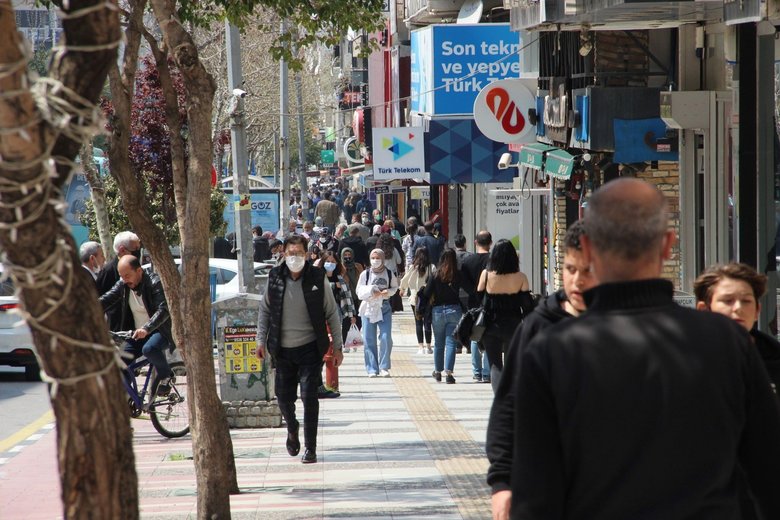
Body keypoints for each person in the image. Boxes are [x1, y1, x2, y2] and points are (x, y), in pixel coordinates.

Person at [509, 178, 780, 520]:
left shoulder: (552, 352)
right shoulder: (728, 342)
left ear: (589, 249)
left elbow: (535, 494)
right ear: (668, 244)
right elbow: (768, 472)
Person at [486, 221, 597, 520]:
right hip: (546, 486)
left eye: (589, 271)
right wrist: (502, 482)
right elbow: (507, 406)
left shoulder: (627, 325)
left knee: (496, 367)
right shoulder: (540, 325)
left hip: (609, 487)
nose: (577, 281)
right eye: (571, 269)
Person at [255, 235, 344, 464]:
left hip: (311, 349)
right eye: (290, 253)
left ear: (306, 254)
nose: (294, 257)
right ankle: (292, 428)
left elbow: (332, 312)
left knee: (309, 397)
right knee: (283, 399)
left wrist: (337, 346)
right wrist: (260, 342)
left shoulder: (317, 276)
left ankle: (310, 448)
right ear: (283, 254)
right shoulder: (275, 276)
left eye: (299, 253)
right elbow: (265, 310)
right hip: (282, 350)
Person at [694, 263, 780, 394]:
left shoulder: (774, 359)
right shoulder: (683, 360)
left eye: (746, 301)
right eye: (727, 300)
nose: (738, 308)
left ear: (757, 310)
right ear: (704, 309)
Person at [99, 255, 175, 395]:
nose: (124, 279)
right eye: (122, 276)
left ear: (139, 271)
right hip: (137, 334)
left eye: (127, 275)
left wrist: (146, 328)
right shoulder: (123, 284)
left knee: (149, 349)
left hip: (160, 330)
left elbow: (163, 310)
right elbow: (106, 300)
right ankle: (129, 398)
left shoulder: (154, 282)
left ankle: (166, 376)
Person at [477, 239, 534, 391]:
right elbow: (527, 306)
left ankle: (499, 397)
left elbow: (477, 299)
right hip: (513, 326)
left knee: (495, 365)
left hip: (491, 326)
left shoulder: (486, 275)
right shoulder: (521, 277)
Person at [422, 249, 463, 384]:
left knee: (439, 343)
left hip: (438, 311)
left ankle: (438, 372)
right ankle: (449, 374)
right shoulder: (457, 275)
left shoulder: (435, 275)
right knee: (451, 342)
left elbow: (427, 293)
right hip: (454, 310)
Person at [356, 248, 398, 378]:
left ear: (383, 258)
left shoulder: (389, 273)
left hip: (384, 306)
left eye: (378, 258)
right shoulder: (365, 274)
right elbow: (359, 290)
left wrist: (388, 293)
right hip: (369, 307)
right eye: (373, 258)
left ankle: (384, 366)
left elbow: (394, 288)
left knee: (386, 337)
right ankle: (372, 368)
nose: (375, 260)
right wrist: (370, 291)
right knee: (369, 339)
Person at [461, 230, 492, 382]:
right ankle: (487, 373)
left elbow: (463, 281)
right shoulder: (493, 260)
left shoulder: (468, 261)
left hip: (473, 303)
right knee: (489, 336)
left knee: (474, 336)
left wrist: (473, 293)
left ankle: (477, 372)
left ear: (475, 242)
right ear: (490, 243)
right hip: (490, 302)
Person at [96, 231, 141, 330]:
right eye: (136, 249)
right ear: (122, 250)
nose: (139, 252)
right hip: (119, 330)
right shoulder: (108, 272)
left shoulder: (139, 268)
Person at [400, 247, 434, 355]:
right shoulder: (431, 267)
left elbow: (405, 279)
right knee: (428, 322)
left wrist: (402, 289)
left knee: (418, 322)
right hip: (428, 298)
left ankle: (421, 347)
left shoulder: (413, 267)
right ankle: (429, 346)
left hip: (415, 298)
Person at [340, 247, 364, 344]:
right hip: (346, 298)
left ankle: (354, 340)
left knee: (358, 320)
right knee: (346, 321)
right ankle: (345, 342)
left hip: (358, 297)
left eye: (349, 255)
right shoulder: (340, 267)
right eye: (345, 255)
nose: (347, 257)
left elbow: (363, 278)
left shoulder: (358, 266)